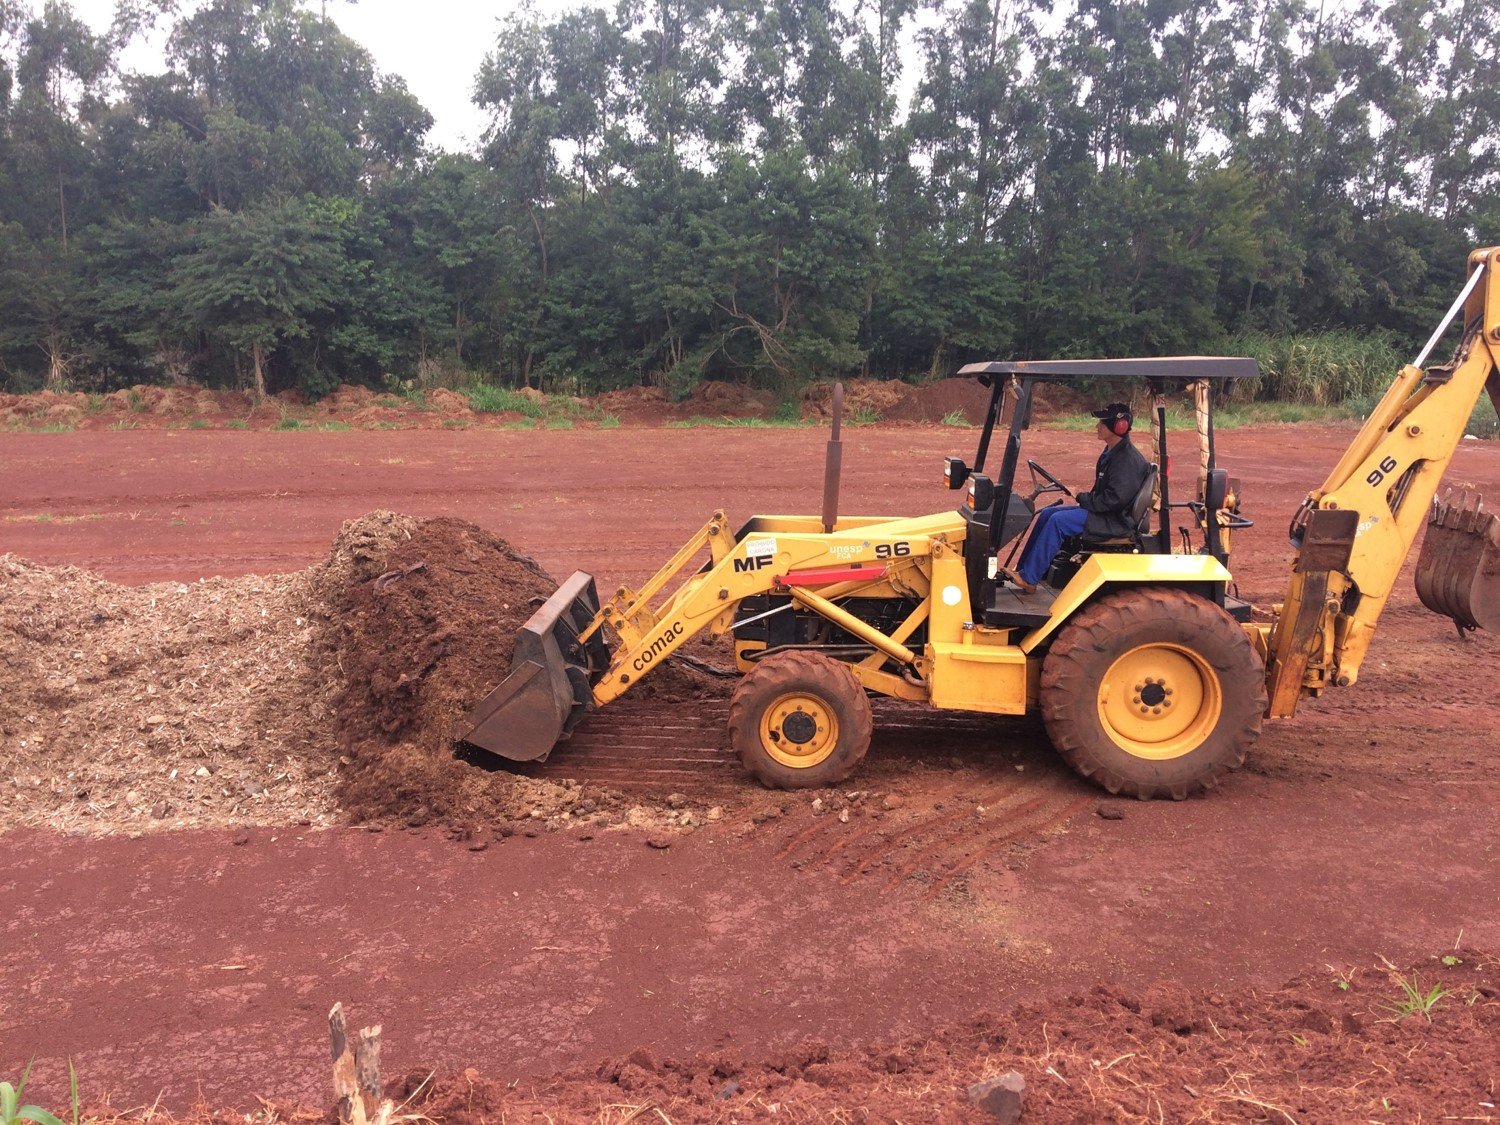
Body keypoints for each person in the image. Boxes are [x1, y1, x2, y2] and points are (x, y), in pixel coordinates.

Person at [1004, 402, 1151, 591]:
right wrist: (1084, 498)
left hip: (1114, 520)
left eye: (1102, 423)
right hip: (1105, 513)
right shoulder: (1112, 453)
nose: (1096, 426)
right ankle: (1024, 570)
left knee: (1058, 521)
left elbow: (1114, 500)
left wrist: (1082, 498)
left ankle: (1030, 578)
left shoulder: (1127, 460)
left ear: (1118, 427)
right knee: (1048, 513)